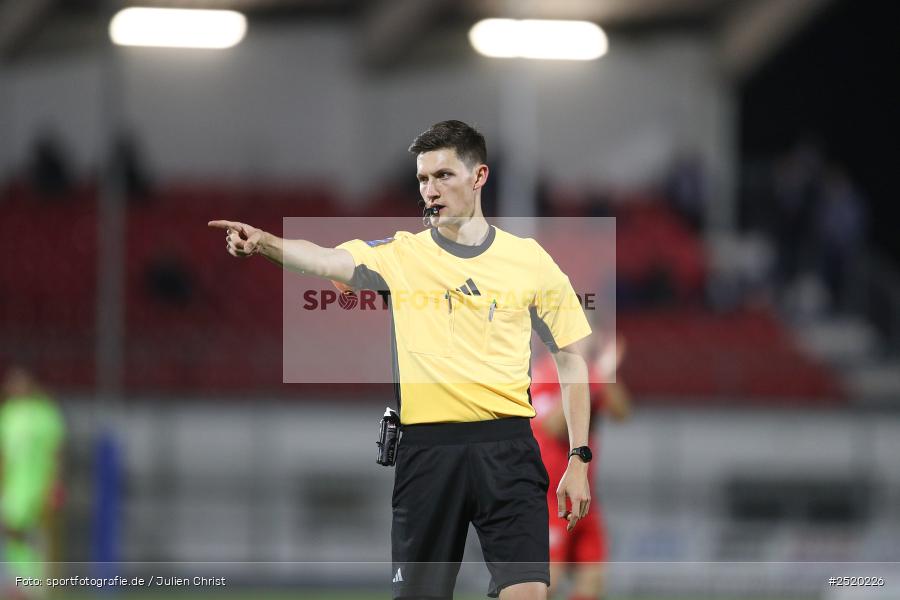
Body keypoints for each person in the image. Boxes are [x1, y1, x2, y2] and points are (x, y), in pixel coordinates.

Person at [209, 120, 594, 600]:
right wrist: (265, 242)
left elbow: (571, 358)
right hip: (429, 454)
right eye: (422, 180)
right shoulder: (399, 255)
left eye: (444, 176)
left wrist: (578, 457)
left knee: (529, 593)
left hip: (509, 448)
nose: (430, 190)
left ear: (479, 177)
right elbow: (325, 259)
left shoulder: (529, 259)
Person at [531, 335, 631, 600]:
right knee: (547, 584)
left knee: (592, 581)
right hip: (550, 498)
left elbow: (623, 412)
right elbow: (552, 426)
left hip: (583, 495)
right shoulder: (545, 374)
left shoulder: (591, 378)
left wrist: (602, 377)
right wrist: (595, 375)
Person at [1, 366, 65, 598]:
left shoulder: (45, 413)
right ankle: (19, 584)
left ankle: (35, 587)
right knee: (14, 536)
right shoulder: (7, 413)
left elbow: (56, 452)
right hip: (13, 489)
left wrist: (55, 484)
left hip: (39, 488)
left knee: (38, 539)